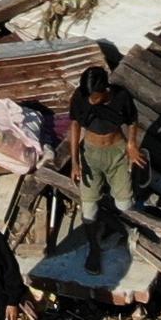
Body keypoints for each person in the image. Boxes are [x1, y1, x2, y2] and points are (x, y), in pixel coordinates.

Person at [66, 68, 143, 257]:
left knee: (125, 205)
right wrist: (75, 162)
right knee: (89, 210)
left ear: (106, 89)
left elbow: (132, 120)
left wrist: (132, 144)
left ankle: (133, 178)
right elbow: (75, 124)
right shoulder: (80, 97)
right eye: (89, 97)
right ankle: (93, 247)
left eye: (95, 97)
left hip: (116, 151)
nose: (91, 101)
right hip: (90, 154)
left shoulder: (121, 97)